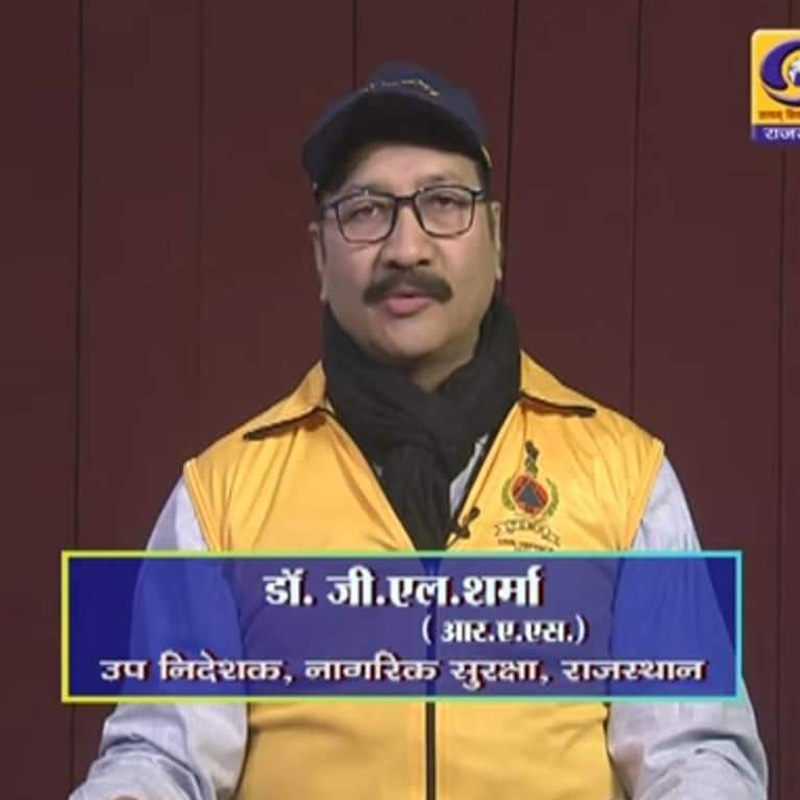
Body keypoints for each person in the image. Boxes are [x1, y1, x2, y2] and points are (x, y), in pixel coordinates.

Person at [71, 62, 768, 800]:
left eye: (443, 203)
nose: (406, 249)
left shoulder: (625, 477)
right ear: (320, 257)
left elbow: (696, 754)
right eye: (366, 211)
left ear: (495, 240)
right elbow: (161, 758)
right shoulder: (221, 497)